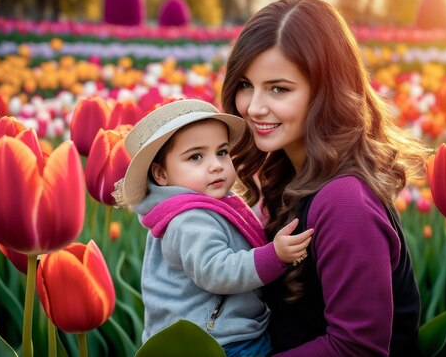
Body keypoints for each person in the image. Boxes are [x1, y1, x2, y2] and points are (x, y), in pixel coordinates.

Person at [221, 0, 429, 356]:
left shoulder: (344, 201)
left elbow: (357, 348)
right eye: (244, 84)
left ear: (325, 91)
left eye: (278, 89)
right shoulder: (288, 173)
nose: (253, 107)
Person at [113, 99, 313, 357]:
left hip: (211, 336)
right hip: (220, 342)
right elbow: (216, 271)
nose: (216, 164)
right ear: (161, 174)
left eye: (221, 152)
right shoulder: (190, 218)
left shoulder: (199, 206)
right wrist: (274, 256)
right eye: (196, 156)